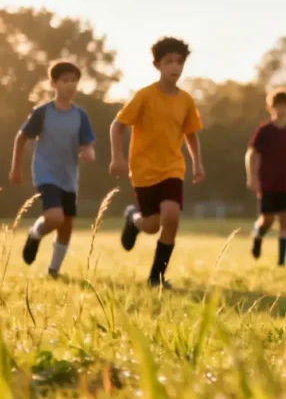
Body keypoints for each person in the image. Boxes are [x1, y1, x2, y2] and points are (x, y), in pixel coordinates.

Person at [109, 37, 205, 288]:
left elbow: (191, 134)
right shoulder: (144, 96)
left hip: (173, 168)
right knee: (151, 225)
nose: (175, 67)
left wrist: (197, 164)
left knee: (171, 216)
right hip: (143, 170)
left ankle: (156, 277)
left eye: (179, 62)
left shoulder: (185, 100)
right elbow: (117, 125)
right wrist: (117, 157)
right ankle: (134, 219)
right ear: (157, 65)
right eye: (169, 61)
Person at [8, 61, 95, 278]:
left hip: (69, 177)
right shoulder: (42, 112)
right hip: (46, 174)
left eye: (74, 80)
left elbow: (87, 143)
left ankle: (53, 271)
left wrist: (88, 153)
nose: (70, 85)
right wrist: (15, 168)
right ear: (53, 84)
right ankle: (35, 233)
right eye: (65, 80)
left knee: (66, 226)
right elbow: (22, 137)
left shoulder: (80, 115)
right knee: (55, 217)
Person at [245, 87, 286, 266]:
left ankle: (281, 262)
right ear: (270, 108)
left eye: (285, 106)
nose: (281, 110)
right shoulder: (264, 131)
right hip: (268, 184)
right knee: (268, 219)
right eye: (277, 106)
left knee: (285, 221)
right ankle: (258, 235)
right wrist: (252, 177)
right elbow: (251, 154)